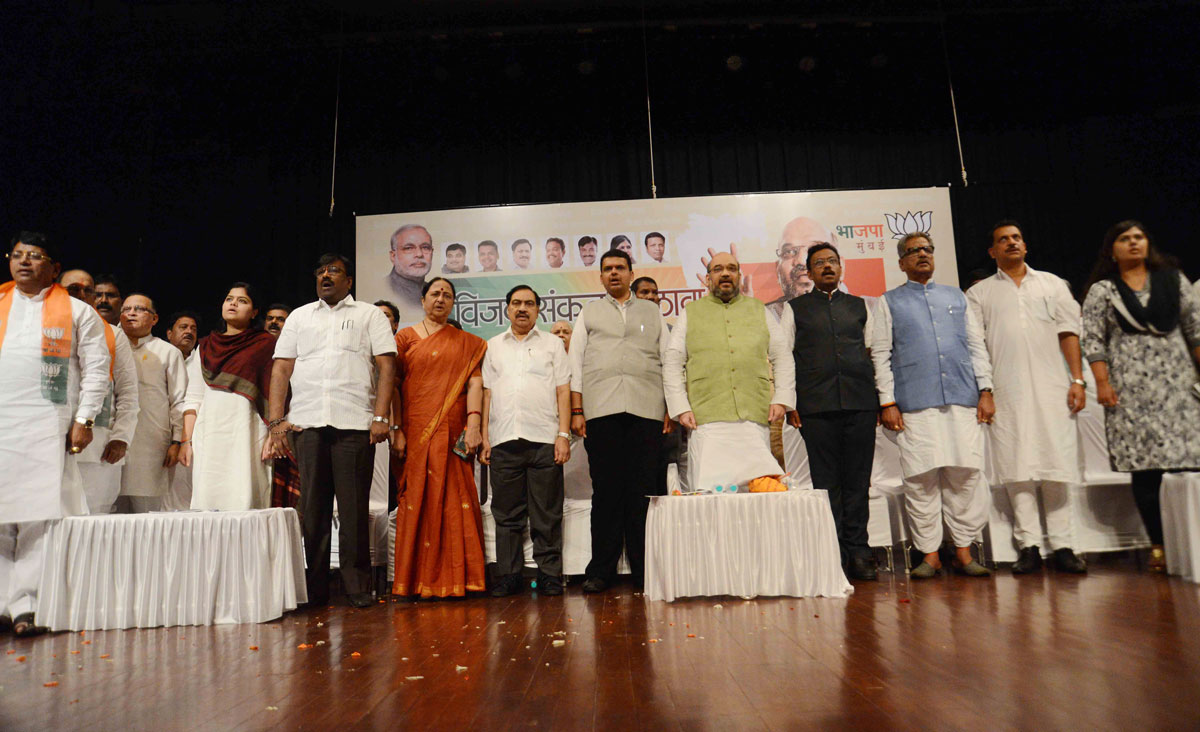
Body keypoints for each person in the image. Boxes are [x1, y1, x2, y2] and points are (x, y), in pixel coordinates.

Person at [268, 254, 396, 608]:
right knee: (313, 509)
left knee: (354, 508)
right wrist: (277, 422)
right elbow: (280, 370)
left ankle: (357, 587)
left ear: (349, 281)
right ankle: (316, 587)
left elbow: (386, 367)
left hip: (354, 424)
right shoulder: (299, 316)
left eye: (334, 271)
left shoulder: (368, 315)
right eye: (320, 271)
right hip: (306, 424)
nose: (325, 276)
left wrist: (381, 416)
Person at [1, 232, 110, 636]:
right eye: (17, 255)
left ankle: (26, 605)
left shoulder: (79, 312)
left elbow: (97, 369)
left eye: (35, 256)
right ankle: (1, 604)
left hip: (48, 423)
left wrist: (84, 418)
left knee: (36, 514)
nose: (24, 262)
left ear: (54, 268)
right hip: (1, 422)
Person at [967, 221, 1089, 574]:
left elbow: (1069, 333)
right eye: (1003, 240)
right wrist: (985, 390)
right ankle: (1029, 545)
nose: (1011, 243)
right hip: (1007, 389)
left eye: (1017, 237)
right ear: (992, 252)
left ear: (1025, 244)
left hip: (1054, 386)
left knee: (1056, 463)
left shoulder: (1052, 284)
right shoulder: (980, 294)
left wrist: (1077, 380)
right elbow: (975, 348)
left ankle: (1063, 544)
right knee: (1017, 467)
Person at [871, 232, 994, 579]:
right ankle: (930, 555)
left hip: (961, 399)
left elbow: (976, 346)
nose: (923, 255)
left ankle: (964, 553)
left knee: (964, 477)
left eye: (927, 249)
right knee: (921, 480)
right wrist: (887, 401)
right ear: (901, 263)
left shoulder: (956, 297)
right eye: (914, 251)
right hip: (914, 404)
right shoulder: (889, 301)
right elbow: (880, 354)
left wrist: (986, 389)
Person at [1081, 220, 1200, 571]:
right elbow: (1094, 341)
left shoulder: (1173, 280)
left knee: (1187, 465)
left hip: (1177, 386)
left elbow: (1195, 330)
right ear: (1112, 249)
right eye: (1124, 239)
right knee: (1146, 470)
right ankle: (1159, 545)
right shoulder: (1104, 291)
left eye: (1139, 237)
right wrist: (1102, 383)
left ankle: (1191, 541)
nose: (1133, 243)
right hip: (1130, 391)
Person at [569, 249, 670, 592]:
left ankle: (645, 572)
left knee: (643, 493)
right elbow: (576, 362)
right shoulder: (589, 313)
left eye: (620, 268)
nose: (614, 274)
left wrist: (670, 406)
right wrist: (577, 410)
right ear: (600, 277)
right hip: (601, 411)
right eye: (608, 269)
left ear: (630, 273)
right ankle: (601, 571)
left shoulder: (652, 312)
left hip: (647, 410)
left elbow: (667, 360)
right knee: (607, 493)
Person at [781, 244, 880, 580]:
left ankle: (860, 551)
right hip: (816, 407)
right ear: (808, 272)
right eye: (819, 263)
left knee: (857, 481)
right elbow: (784, 358)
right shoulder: (794, 309)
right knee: (826, 483)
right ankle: (833, 553)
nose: (826, 267)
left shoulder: (860, 306)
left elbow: (876, 353)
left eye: (832, 262)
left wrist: (884, 400)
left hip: (860, 403)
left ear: (841, 267)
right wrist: (790, 402)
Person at [391, 277, 488, 598]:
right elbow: (393, 386)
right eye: (435, 293)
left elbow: (474, 384)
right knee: (416, 498)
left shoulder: (466, 342)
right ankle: (414, 580)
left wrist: (473, 425)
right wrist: (396, 428)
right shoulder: (405, 338)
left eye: (447, 295)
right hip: (415, 431)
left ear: (453, 303)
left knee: (455, 499)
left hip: (453, 431)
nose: (441, 299)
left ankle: (461, 579)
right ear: (422, 300)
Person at [664, 251, 794, 490]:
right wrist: (680, 407)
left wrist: (782, 399)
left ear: (739, 275)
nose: (725, 273)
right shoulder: (690, 313)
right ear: (707, 278)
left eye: (731, 268)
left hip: (754, 417)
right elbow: (673, 361)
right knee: (711, 495)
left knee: (757, 493)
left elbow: (782, 355)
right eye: (718, 269)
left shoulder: (759, 310)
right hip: (706, 420)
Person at [481, 285, 571, 596]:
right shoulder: (493, 346)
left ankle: (548, 574)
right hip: (504, 439)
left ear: (537, 310)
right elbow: (487, 394)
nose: (522, 308)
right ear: (506, 309)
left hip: (545, 439)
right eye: (516, 303)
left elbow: (563, 391)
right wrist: (484, 437)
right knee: (506, 515)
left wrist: (563, 435)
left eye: (529, 304)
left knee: (546, 513)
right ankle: (508, 575)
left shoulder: (552, 345)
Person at [180, 283, 276, 511]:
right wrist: (186, 441)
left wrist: (274, 433)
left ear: (254, 312)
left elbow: (276, 394)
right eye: (229, 299)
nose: (233, 303)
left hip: (249, 432)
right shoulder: (204, 347)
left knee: (245, 496)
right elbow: (193, 397)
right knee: (207, 500)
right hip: (209, 434)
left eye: (242, 301)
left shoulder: (265, 345)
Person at [60, 269, 140, 515]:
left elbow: (128, 390)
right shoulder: (41, 328)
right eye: (74, 289)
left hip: (100, 446)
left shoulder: (113, 333)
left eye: (88, 291)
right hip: (52, 440)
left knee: (97, 520)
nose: (83, 295)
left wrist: (121, 437)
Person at [118, 293, 187, 512]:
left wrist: (177, 442)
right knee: (108, 511)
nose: (131, 313)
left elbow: (179, 401)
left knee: (146, 514)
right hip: (113, 442)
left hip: (151, 446)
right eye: (126, 309)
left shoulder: (168, 352)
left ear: (154, 319)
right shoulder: (109, 348)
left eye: (138, 309)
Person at [162, 310, 200, 510]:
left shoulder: (202, 361)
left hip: (190, 438)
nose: (189, 332)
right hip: (160, 434)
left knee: (185, 496)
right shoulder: (158, 356)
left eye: (193, 328)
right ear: (169, 333)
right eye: (183, 327)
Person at [765, 217, 835, 319]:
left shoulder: (863, 308)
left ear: (840, 265)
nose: (801, 261)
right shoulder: (762, 317)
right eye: (789, 252)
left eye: (814, 249)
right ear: (778, 269)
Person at [384, 224, 434, 322]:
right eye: (409, 248)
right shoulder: (384, 287)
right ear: (393, 256)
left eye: (425, 247)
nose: (419, 254)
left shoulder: (432, 291)